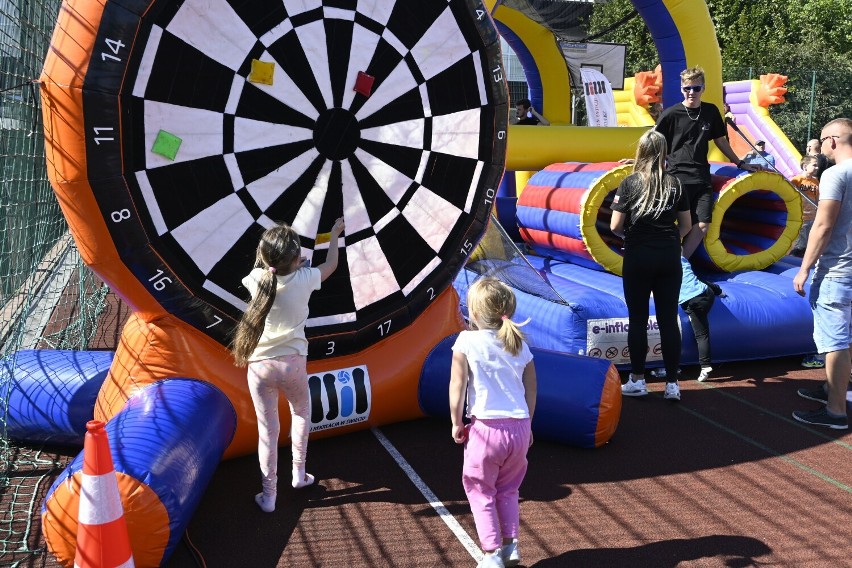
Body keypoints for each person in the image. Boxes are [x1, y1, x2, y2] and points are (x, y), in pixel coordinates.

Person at [231, 218, 346, 511]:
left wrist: (285, 263)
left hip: (260, 367)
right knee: (301, 414)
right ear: (297, 260)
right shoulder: (306, 277)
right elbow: (331, 265)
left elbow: (266, 268)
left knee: (267, 432)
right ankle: (299, 474)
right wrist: (334, 235)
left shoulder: (258, 279)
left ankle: (269, 496)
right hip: (293, 363)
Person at [449, 277, 537, 568]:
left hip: (487, 428)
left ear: (473, 313)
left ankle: (491, 553)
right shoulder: (519, 344)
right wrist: (530, 425)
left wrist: (455, 421)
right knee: (509, 489)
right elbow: (531, 388)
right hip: (520, 428)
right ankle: (511, 545)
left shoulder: (466, 341)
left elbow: (457, 386)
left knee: (480, 489)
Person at [610, 129, 692, 401]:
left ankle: (638, 379)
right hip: (669, 255)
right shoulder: (676, 184)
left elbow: (615, 226)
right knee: (669, 319)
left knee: (638, 319)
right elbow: (687, 226)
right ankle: (672, 384)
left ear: (640, 152)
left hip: (638, 255)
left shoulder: (630, 183)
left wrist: (632, 238)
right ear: (664, 152)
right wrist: (669, 241)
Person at [654, 66, 757, 259]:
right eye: (687, 88)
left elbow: (721, 140)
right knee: (677, 225)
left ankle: (680, 264)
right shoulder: (671, 114)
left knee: (702, 225)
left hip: (701, 178)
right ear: (681, 89)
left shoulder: (710, 111)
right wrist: (642, 161)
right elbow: (654, 142)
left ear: (703, 88)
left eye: (696, 88)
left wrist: (740, 163)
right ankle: (663, 260)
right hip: (677, 177)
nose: (691, 92)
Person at [792, 118, 852, 430]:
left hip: (838, 269)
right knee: (847, 336)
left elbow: (824, 225)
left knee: (835, 341)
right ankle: (834, 389)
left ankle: (835, 411)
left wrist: (804, 268)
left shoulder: (835, 174)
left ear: (831, 141)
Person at [652, 256, 725, 382]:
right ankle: (719, 291)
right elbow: (695, 279)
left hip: (691, 301)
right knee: (698, 282)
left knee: (701, 334)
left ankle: (705, 366)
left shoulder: (657, 266)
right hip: (706, 293)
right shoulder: (681, 259)